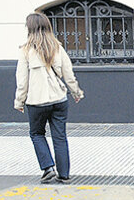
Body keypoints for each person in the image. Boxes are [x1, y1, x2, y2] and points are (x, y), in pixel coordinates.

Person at [14, 12, 84, 184]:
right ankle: (64, 174)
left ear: (29, 29)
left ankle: (47, 168)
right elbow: (69, 73)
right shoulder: (58, 47)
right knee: (60, 136)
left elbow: (22, 81)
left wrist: (19, 101)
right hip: (59, 100)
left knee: (37, 133)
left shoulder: (25, 51)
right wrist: (76, 92)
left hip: (36, 102)